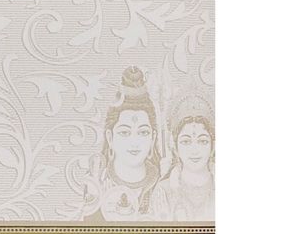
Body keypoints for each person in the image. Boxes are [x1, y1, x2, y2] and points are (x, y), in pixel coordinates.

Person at [80, 66, 161, 222]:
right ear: (110, 138)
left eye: (143, 132)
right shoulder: (96, 183)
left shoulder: (164, 185)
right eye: (124, 132)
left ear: (153, 138)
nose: (134, 141)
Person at [151, 91, 215, 222]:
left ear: (213, 145)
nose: (195, 150)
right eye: (186, 141)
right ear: (174, 146)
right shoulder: (163, 191)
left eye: (203, 141)